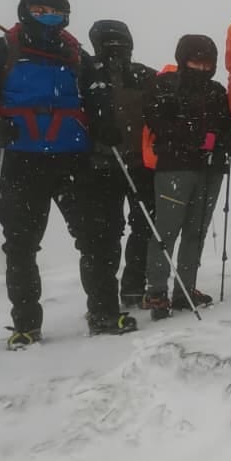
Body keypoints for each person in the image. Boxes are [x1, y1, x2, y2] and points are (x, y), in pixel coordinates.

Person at [0, 0, 136, 345]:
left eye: (55, 13)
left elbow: (95, 93)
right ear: (25, 11)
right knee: (21, 246)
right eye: (40, 12)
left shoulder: (75, 55)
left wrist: (103, 122)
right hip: (20, 159)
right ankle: (26, 324)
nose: (48, 19)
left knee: (96, 239)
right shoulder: (0, 50)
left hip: (73, 158)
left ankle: (103, 312)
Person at [141, 35, 231, 317]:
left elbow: (226, 125)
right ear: (182, 59)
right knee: (168, 229)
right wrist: (196, 138)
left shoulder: (216, 91)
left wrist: (227, 141)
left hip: (210, 169)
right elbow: (155, 119)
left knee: (195, 231)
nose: (201, 67)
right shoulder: (165, 85)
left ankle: (185, 288)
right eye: (195, 61)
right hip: (175, 167)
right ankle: (157, 291)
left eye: (207, 62)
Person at [85, 20, 158, 309]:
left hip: (139, 165)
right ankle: (105, 298)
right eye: (110, 42)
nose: (117, 48)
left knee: (143, 227)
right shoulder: (84, 73)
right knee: (106, 235)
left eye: (121, 42)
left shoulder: (143, 75)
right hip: (100, 165)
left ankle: (132, 288)